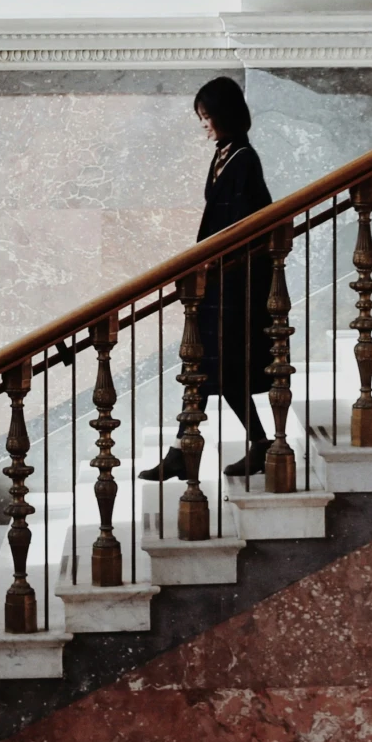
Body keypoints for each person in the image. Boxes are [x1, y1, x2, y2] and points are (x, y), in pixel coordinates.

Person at [139, 76, 280, 483]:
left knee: (214, 366)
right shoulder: (226, 155)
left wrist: (208, 266)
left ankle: (198, 449)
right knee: (208, 367)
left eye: (208, 116)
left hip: (234, 285)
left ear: (225, 115)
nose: (204, 124)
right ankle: (202, 447)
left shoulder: (244, 160)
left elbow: (242, 225)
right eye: (201, 117)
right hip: (219, 282)